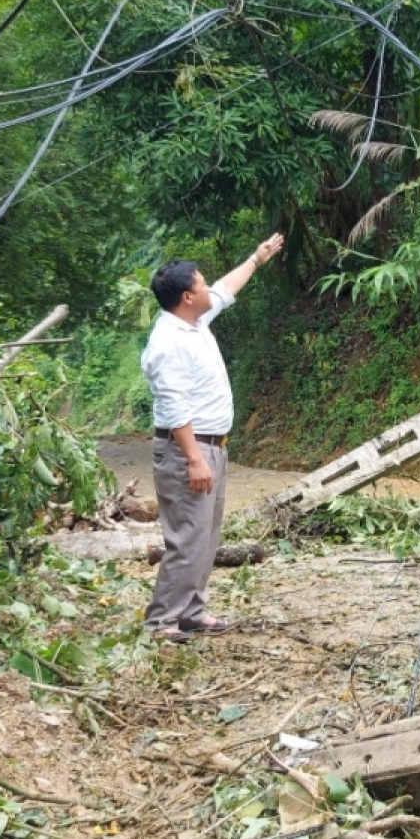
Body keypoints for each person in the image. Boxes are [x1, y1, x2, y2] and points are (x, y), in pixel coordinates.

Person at [140, 234, 284, 642]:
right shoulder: (167, 342)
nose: (209, 287)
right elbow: (173, 406)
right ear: (187, 296)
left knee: (205, 534)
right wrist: (194, 459)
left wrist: (256, 258)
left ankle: (192, 611)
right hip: (189, 449)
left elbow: (225, 289)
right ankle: (161, 622)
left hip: (211, 445)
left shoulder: (194, 321)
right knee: (186, 536)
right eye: (202, 283)